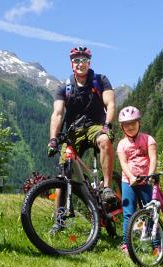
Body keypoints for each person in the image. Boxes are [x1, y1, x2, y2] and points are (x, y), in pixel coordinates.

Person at [47, 46, 116, 202]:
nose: (80, 63)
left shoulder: (100, 81)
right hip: (73, 131)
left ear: (89, 63)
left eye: (83, 60)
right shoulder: (64, 88)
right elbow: (57, 113)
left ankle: (107, 187)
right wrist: (53, 139)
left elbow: (110, 104)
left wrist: (107, 126)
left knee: (104, 140)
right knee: (63, 174)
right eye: (76, 60)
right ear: (72, 64)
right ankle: (59, 218)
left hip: (96, 126)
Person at [116, 106, 157, 254]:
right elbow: (123, 163)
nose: (131, 126)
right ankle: (126, 244)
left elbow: (152, 158)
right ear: (122, 127)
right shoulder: (122, 144)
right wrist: (131, 177)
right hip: (128, 181)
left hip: (146, 180)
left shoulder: (148, 139)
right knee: (129, 213)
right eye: (127, 124)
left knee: (151, 212)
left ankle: (156, 244)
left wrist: (151, 175)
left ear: (139, 123)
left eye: (133, 123)